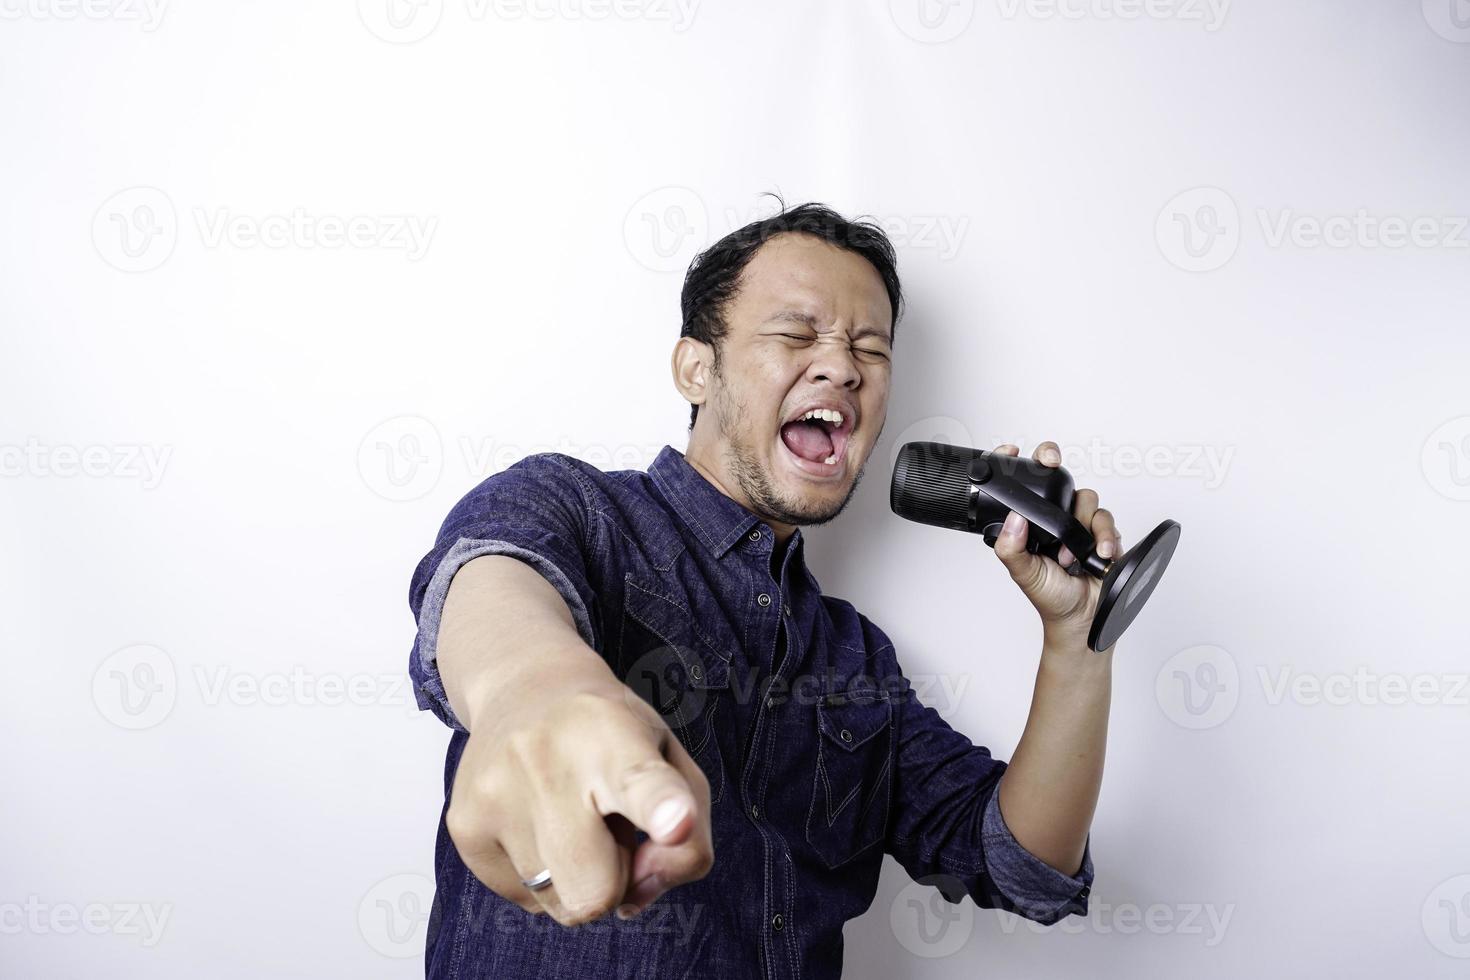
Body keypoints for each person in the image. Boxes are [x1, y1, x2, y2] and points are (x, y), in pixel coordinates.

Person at [406, 199, 1121, 979]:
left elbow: (1025, 865)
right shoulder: (572, 508)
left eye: (870, 349)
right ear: (696, 367)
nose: (843, 365)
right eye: (796, 332)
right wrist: (531, 694)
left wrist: (1078, 642)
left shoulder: (857, 661)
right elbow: (490, 583)